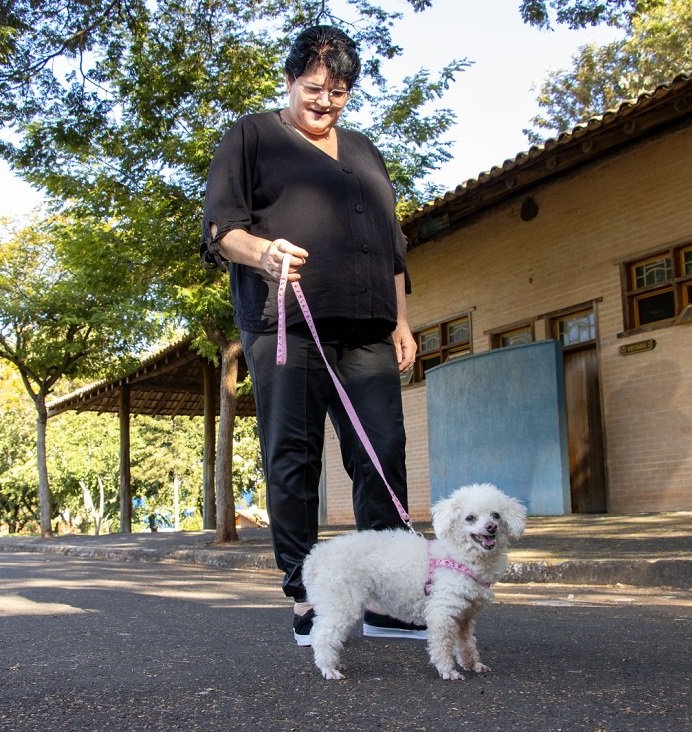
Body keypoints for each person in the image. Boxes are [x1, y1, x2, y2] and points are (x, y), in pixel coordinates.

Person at [201, 25, 423, 646]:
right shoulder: (253, 137)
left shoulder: (364, 149)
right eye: (315, 87)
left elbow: (392, 244)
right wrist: (263, 253)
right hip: (287, 325)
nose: (326, 101)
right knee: (293, 459)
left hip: (367, 328)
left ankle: (385, 598)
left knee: (382, 454)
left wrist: (401, 319)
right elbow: (222, 228)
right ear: (291, 79)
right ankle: (305, 594)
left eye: (341, 90)